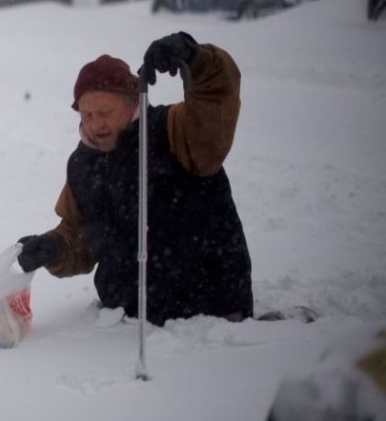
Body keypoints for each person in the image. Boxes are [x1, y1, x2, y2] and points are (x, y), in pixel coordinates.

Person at [17, 32, 253, 326]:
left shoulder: (176, 129)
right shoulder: (82, 163)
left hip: (208, 322)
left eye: (105, 112)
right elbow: (82, 235)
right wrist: (54, 248)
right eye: (87, 114)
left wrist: (195, 58)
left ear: (132, 104)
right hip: (125, 324)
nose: (95, 124)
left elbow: (216, 94)